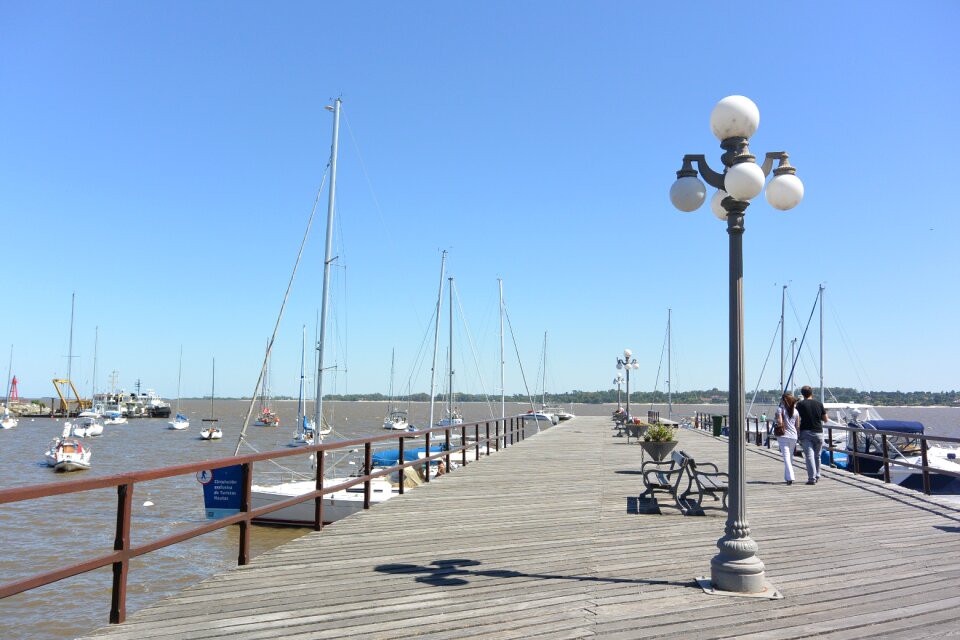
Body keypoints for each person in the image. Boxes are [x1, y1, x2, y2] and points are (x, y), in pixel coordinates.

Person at [796, 385, 828, 485]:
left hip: (805, 432)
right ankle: (817, 474)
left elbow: (797, 420)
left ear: (802, 394)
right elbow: (825, 419)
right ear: (811, 393)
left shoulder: (800, 405)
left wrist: (797, 433)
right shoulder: (819, 404)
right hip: (818, 432)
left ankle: (812, 478)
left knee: (809, 456)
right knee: (817, 456)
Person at [775, 393, 799, 485]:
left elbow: (780, 422)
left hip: (783, 435)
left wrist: (777, 419)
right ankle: (787, 476)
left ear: (784, 400)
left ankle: (790, 477)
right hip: (794, 436)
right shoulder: (796, 411)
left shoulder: (780, 410)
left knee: (786, 457)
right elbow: (797, 426)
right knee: (790, 457)